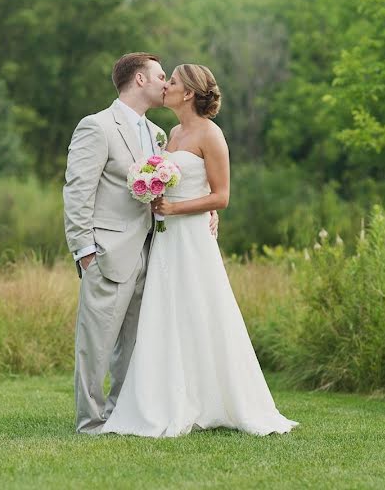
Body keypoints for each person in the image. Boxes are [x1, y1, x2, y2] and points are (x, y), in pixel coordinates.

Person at [100, 63, 298, 437]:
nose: (166, 86)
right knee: (167, 315)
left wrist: (178, 208)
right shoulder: (170, 133)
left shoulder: (211, 134)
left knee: (203, 310)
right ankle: (167, 399)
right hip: (166, 239)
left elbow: (221, 196)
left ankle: (220, 399)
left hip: (191, 239)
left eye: (171, 81)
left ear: (188, 92)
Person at [63, 53, 218, 434]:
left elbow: (180, 185)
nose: (167, 84)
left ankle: (120, 413)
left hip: (157, 250)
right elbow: (77, 191)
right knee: (96, 344)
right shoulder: (97, 127)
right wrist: (84, 252)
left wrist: (207, 210)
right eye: (161, 76)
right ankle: (90, 420)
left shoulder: (159, 135)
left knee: (133, 345)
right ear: (139, 81)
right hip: (107, 254)